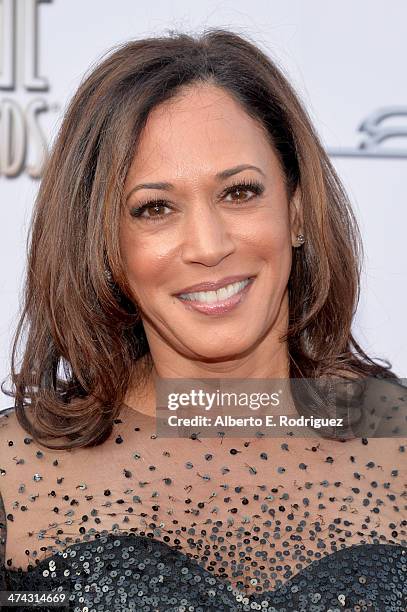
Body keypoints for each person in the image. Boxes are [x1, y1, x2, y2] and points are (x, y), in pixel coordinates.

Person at [0, 28, 406, 612]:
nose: (209, 246)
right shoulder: (15, 474)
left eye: (239, 193)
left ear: (295, 210)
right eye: (155, 208)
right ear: (105, 245)